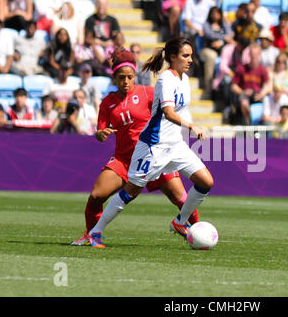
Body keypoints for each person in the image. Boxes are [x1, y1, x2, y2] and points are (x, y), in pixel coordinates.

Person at [87, 38, 213, 248]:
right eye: (185, 56)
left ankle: (180, 222)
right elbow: (168, 112)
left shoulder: (184, 79)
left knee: (206, 182)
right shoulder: (165, 80)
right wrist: (193, 127)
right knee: (131, 192)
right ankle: (95, 231)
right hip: (154, 147)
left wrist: (191, 127)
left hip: (176, 145)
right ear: (172, 57)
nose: (190, 60)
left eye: (191, 55)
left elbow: (181, 110)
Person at [230, 42, 270, 125]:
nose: (254, 56)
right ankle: (248, 123)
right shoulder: (242, 68)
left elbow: (267, 85)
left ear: (259, 55)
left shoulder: (262, 69)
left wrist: (262, 94)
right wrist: (242, 91)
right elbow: (233, 85)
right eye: (252, 54)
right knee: (244, 102)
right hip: (244, 94)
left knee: (267, 101)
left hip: (257, 95)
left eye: (256, 54)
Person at [200, 6, 233, 99]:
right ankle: (209, 86)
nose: (215, 15)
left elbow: (230, 35)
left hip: (223, 50)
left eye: (217, 13)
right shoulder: (206, 24)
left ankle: (222, 89)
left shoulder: (224, 24)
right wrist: (223, 38)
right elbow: (210, 35)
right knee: (212, 56)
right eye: (213, 13)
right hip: (208, 49)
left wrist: (221, 42)